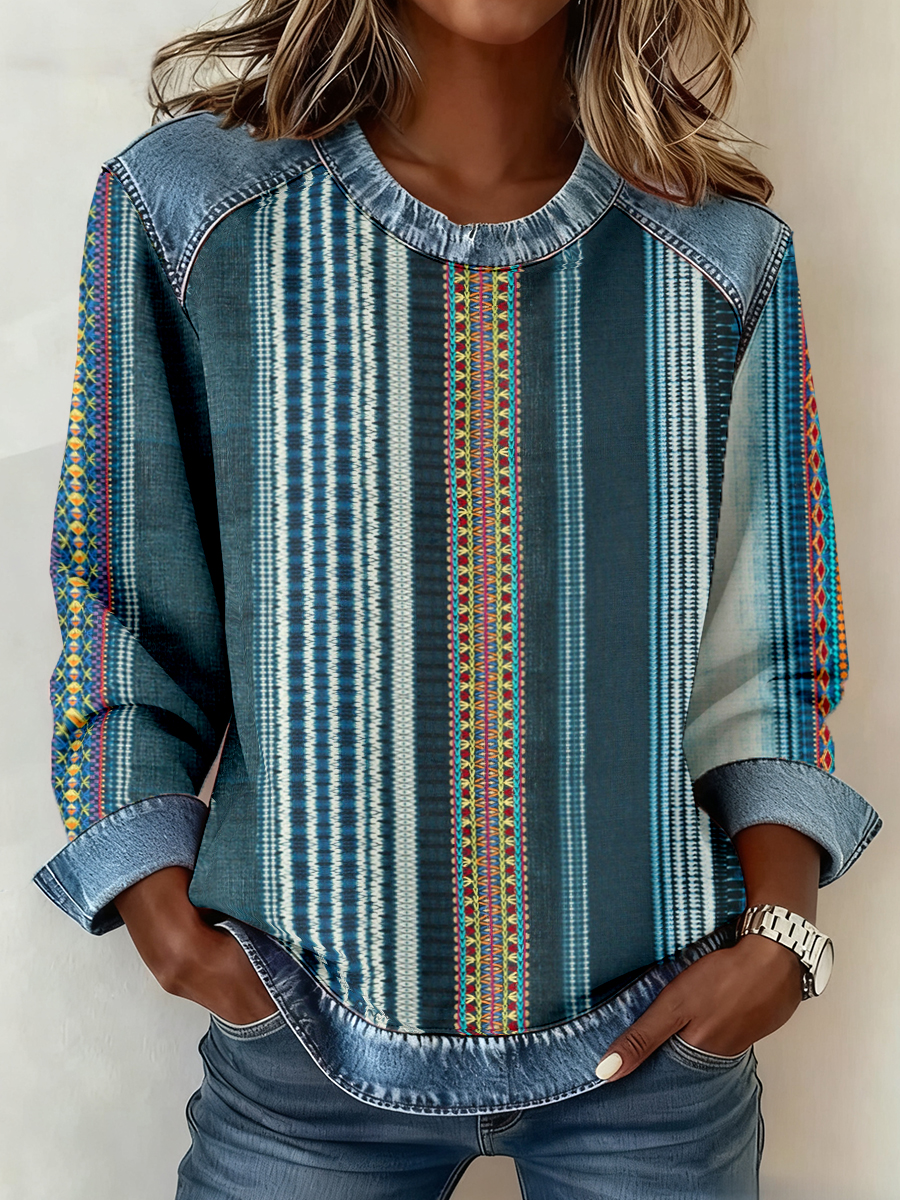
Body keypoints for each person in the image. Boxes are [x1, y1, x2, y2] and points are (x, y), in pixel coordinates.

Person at [34, 0, 881, 1196]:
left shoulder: (720, 256)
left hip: (660, 1055)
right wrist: (162, 918)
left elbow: (768, 654)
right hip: (300, 1045)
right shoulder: (191, 214)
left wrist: (779, 944)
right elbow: (124, 596)